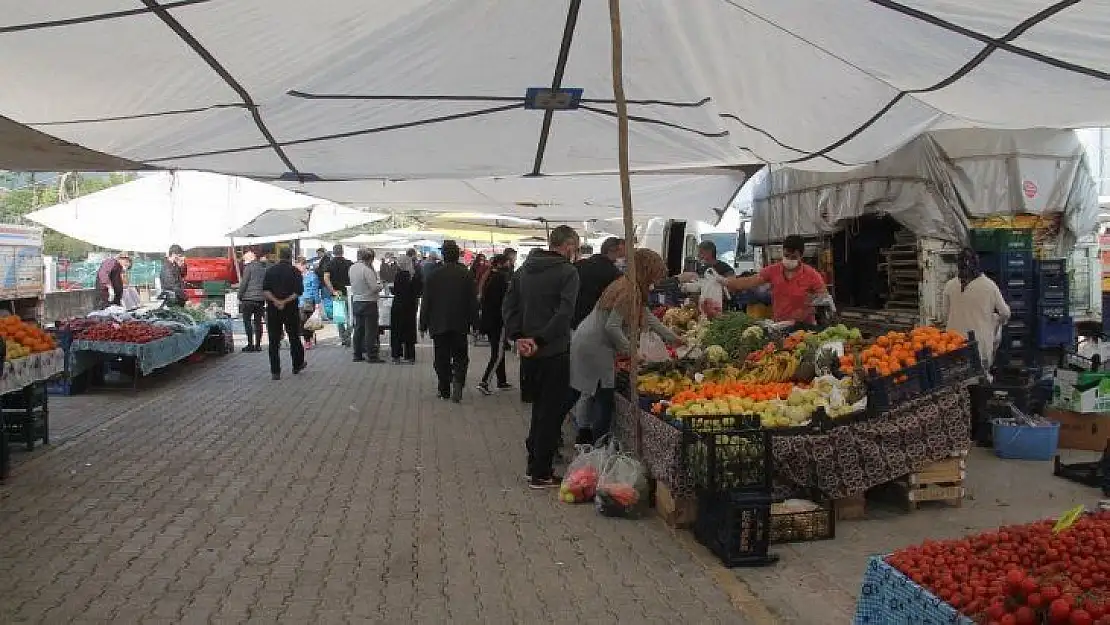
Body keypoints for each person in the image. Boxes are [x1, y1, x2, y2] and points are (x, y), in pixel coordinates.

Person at [571, 249, 681, 444]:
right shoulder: (629, 291)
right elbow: (612, 327)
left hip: (589, 338)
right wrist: (632, 352)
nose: (656, 281)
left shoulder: (629, 286)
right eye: (655, 274)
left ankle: (585, 435)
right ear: (646, 271)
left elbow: (648, 318)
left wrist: (674, 339)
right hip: (597, 344)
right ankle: (598, 443)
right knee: (603, 395)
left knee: (589, 391)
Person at [502, 225, 580, 489]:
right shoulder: (568, 272)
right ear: (568, 245)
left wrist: (518, 337)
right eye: (575, 247)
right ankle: (541, 472)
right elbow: (564, 314)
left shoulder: (524, 270)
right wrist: (540, 340)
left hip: (528, 352)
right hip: (553, 351)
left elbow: (509, 305)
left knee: (538, 409)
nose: (575, 253)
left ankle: (533, 464)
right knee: (551, 412)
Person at [717, 235, 829, 325]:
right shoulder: (773, 270)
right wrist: (726, 281)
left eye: (794, 257)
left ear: (801, 256)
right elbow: (749, 281)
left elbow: (824, 300)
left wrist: (807, 311)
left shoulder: (811, 274)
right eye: (786, 255)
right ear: (782, 252)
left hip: (805, 326)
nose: (789, 259)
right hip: (780, 325)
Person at [420, 241, 478, 402]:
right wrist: (476, 324)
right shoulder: (466, 274)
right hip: (460, 323)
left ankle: (444, 388)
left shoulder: (433, 275)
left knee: (441, 357)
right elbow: (472, 302)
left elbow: (426, 301)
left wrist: (422, 324)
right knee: (461, 356)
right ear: (457, 254)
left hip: (438, 324)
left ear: (443, 255)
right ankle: (458, 381)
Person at [944, 249, 1011, 371]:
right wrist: (997, 320)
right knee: (980, 376)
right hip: (979, 344)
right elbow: (1005, 313)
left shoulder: (949, 285)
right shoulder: (989, 286)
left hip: (953, 343)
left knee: (955, 376)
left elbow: (945, 314)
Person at [262, 248, 306, 380]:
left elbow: (265, 290)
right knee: (294, 337)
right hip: (291, 309)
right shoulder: (295, 271)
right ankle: (297, 365)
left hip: (273, 309)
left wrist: (276, 301)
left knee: (274, 340)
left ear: (279, 256)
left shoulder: (270, 271)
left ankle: (275, 371)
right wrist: (285, 301)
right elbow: (298, 292)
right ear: (290, 257)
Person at [477, 254, 513, 395]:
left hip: (488, 320)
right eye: (508, 262)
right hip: (497, 321)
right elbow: (504, 302)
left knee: (499, 351)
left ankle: (502, 381)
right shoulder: (500, 279)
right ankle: (484, 382)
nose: (509, 265)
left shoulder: (489, 276)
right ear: (501, 264)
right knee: (497, 354)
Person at [572, 237, 625, 329]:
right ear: (615, 250)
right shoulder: (614, 273)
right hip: (594, 322)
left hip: (574, 319)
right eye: (622, 254)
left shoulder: (580, 264)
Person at [349, 248, 383, 363]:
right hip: (368, 301)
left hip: (356, 301)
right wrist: (381, 286)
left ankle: (357, 354)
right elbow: (374, 287)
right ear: (369, 259)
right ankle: (372, 355)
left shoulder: (352, 268)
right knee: (370, 330)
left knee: (358, 329)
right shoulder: (366, 270)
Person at [390, 252, 422, 364]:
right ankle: (410, 356)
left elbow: (396, 290)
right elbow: (418, 291)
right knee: (409, 330)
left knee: (397, 331)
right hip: (410, 306)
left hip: (398, 305)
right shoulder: (414, 275)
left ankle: (396, 355)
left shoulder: (399, 275)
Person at [323, 244, 354, 346]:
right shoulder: (349, 263)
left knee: (340, 317)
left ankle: (343, 338)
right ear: (342, 251)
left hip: (337, 293)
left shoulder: (330, 264)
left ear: (333, 252)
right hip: (349, 293)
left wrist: (332, 291)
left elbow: (326, 278)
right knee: (351, 317)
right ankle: (348, 335)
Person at [237, 249, 267, 352]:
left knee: (247, 321)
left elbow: (244, 283)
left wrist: (239, 295)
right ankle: (258, 345)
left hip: (248, 299)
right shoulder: (263, 268)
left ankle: (250, 344)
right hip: (260, 300)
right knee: (258, 322)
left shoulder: (248, 268)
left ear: (248, 260)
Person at [311, 247, 332, 319]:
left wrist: (316, 269)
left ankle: (329, 315)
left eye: (318, 253)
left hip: (325, 283)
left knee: (326, 299)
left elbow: (323, 271)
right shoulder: (325, 259)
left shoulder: (326, 260)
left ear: (322, 252)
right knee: (326, 298)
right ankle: (329, 314)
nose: (318, 254)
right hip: (324, 283)